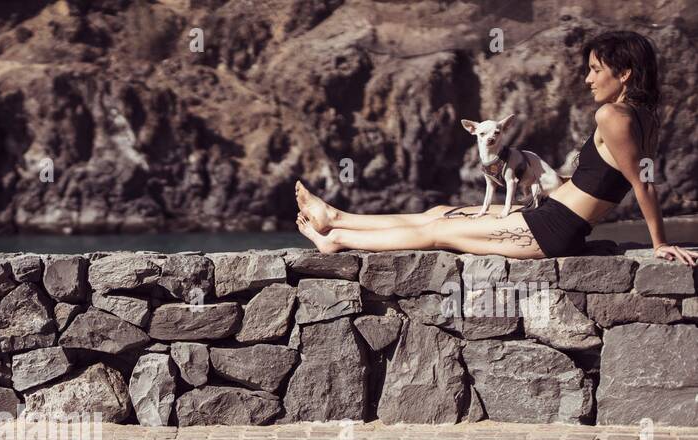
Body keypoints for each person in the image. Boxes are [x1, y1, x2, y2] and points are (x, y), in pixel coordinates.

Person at [294, 30, 695, 265]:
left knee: (439, 232)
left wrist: (659, 243)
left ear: (623, 73)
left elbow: (644, 183)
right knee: (439, 212)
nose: (588, 79)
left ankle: (339, 237)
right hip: (551, 214)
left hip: (551, 230)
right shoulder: (645, 117)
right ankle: (336, 216)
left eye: (595, 70)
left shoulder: (614, 116)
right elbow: (604, 180)